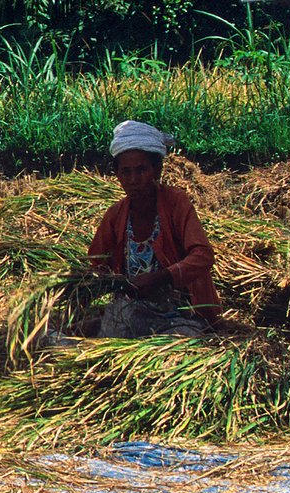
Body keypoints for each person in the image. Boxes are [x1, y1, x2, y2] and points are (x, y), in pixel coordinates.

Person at [86, 120, 221, 337]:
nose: (133, 180)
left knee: (179, 343)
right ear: (117, 175)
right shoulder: (115, 215)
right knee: (112, 328)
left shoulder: (176, 203)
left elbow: (203, 255)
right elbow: (96, 265)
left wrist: (162, 277)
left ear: (156, 170)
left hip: (181, 314)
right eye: (125, 172)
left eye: (141, 170)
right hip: (134, 311)